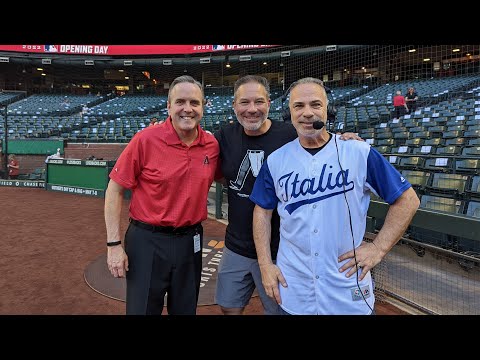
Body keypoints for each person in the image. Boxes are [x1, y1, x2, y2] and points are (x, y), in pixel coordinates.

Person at [250, 77, 420, 315]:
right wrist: (265, 264)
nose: (307, 113)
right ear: (289, 113)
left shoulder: (358, 152)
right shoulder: (276, 160)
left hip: (347, 288)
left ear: (328, 110)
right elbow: (262, 212)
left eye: (315, 105)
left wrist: (378, 248)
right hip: (295, 288)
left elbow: (408, 200)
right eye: (299, 106)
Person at [213, 75, 364, 315]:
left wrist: (346, 138)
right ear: (234, 105)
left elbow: (319, 140)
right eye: (244, 102)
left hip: (282, 249)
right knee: (228, 305)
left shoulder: (290, 134)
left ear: (269, 104)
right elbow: (213, 170)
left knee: (279, 309)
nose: (252, 109)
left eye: (259, 101)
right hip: (236, 244)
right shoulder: (223, 137)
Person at [104, 75, 220, 315]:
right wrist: (113, 244)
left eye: (194, 103)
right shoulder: (145, 139)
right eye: (180, 102)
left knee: (186, 310)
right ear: (168, 106)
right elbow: (115, 189)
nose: (187, 109)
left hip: (191, 240)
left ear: (203, 106)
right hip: (147, 241)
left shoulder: (211, 145)